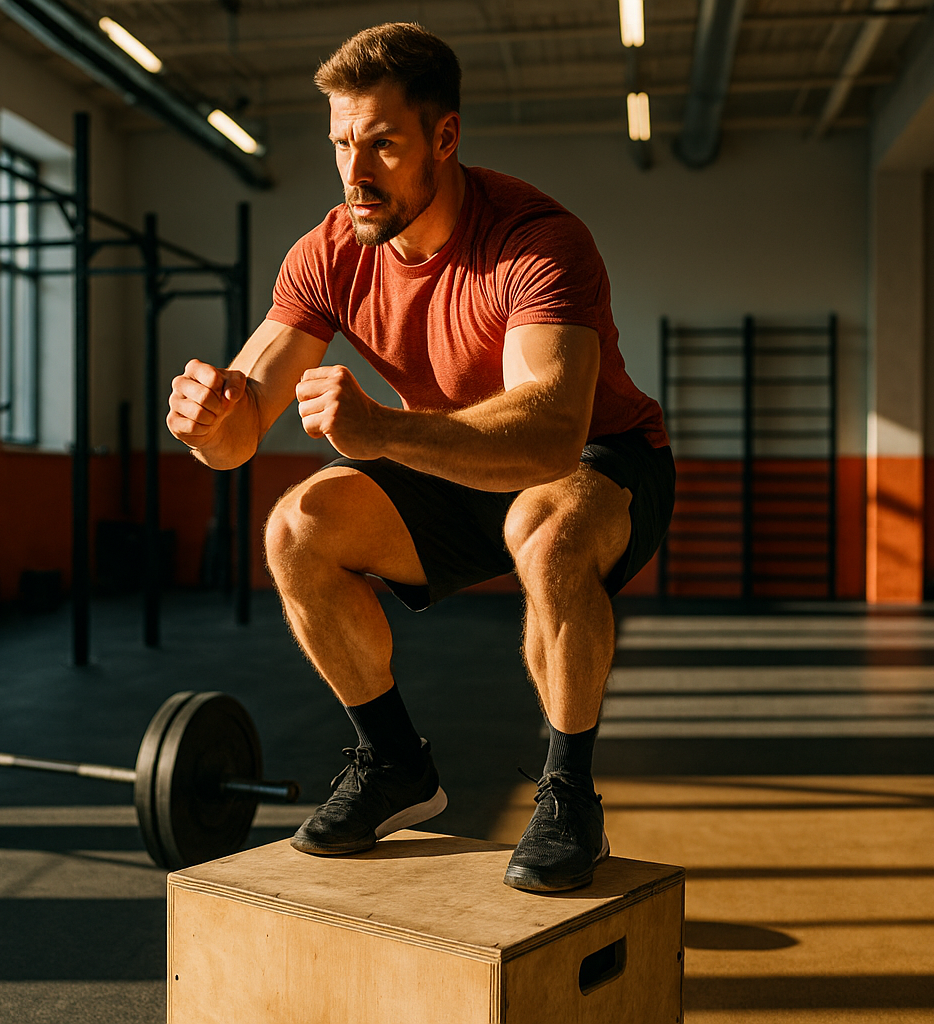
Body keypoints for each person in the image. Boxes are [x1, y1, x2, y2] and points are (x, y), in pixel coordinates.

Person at [164, 23, 673, 892]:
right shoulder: (328, 252)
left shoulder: (536, 240)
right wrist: (206, 422)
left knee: (545, 534)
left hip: (599, 457)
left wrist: (385, 434)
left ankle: (569, 793)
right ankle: (395, 762)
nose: (356, 173)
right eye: (340, 144)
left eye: (383, 145)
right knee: (296, 527)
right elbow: (241, 425)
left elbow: (549, 431)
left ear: (445, 137)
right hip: (449, 457)